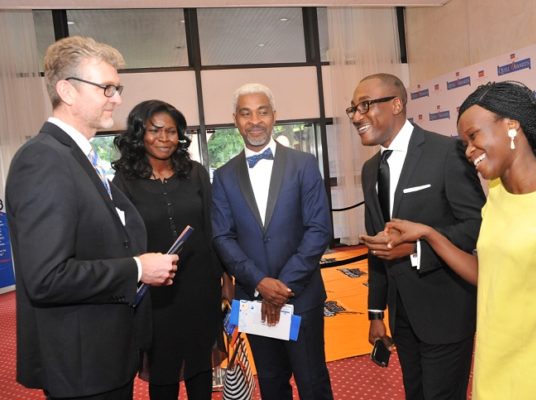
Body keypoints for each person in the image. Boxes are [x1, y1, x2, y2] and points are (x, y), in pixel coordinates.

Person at [384, 81, 536, 400]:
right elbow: (490, 274)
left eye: (473, 136)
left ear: (512, 126)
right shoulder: (497, 195)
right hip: (495, 374)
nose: (468, 150)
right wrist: (430, 234)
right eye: (464, 141)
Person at [5, 36, 178, 400]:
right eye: (106, 88)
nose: (116, 98)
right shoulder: (44, 160)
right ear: (66, 91)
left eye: (117, 88)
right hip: (82, 367)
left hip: (106, 356)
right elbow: (47, 278)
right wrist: (136, 268)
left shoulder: (77, 156)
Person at [350, 73, 486, 400]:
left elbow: (477, 224)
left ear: (397, 104)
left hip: (446, 312)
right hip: (402, 316)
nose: (357, 117)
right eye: (353, 109)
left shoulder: (447, 153)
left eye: (365, 105)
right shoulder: (371, 170)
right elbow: (379, 247)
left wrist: (417, 249)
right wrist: (375, 314)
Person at [211, 83, 334, 400]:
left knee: (313, 382)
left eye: (262, 112)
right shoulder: (223, 176)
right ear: (235, 120)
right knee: (271, 382)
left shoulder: (304, 164)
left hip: (300, 296)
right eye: (246, 113)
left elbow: (318, 229)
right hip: (252, 301)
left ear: (274, 117)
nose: (255, 120)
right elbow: (222, 237)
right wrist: (260, 283)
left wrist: (281, 286)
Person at [112, 100, 229, 400]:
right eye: (155, 130)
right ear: (140, 134)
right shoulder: (124, 181)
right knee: (163, 370)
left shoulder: (195, 172)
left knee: (200, 366)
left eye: (172, 131)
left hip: (201, 285)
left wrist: (225, 279)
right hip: (156, 291)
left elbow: (212, 228)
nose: (164, 138)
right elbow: (122, 239)